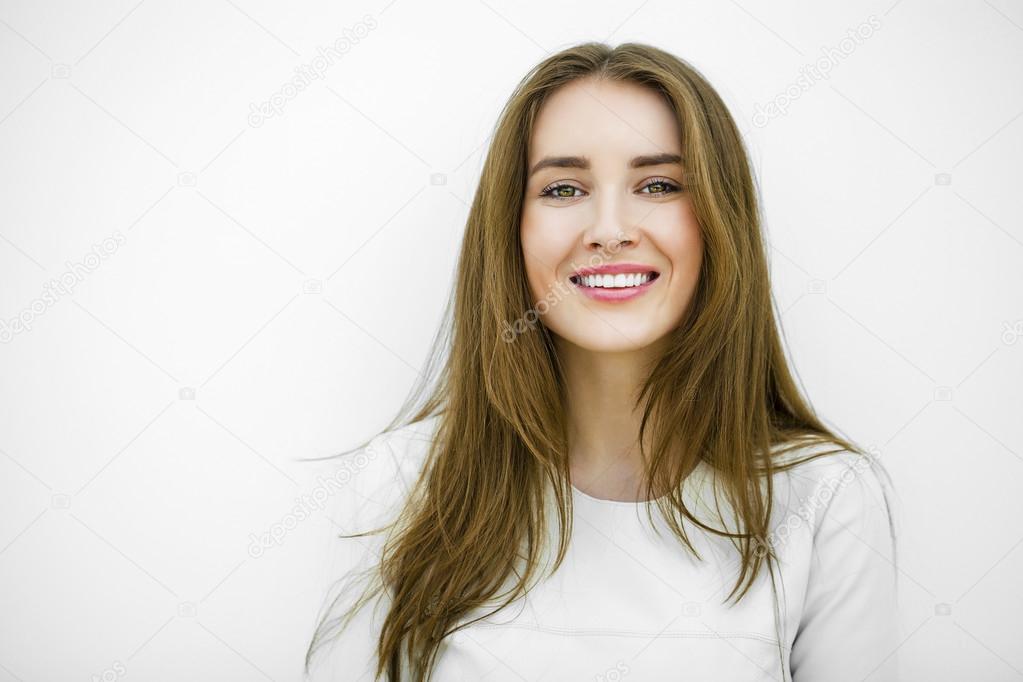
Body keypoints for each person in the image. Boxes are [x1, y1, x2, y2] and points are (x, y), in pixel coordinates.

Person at [304, 41, 900, 682]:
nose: (609, 228)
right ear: (511, 227)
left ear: (721, 223)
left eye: (660, 185)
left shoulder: (824, 496)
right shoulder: (399, 483)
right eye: (563, 188)